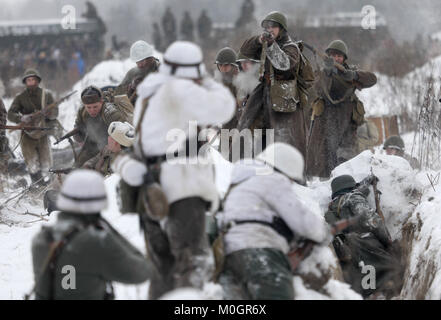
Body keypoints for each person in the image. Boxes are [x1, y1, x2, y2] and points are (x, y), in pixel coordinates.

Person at [112, 41, 236, 299]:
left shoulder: (148, 91)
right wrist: (205, 79)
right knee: (192, 260)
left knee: (162, 267)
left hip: (150, 189)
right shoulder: (180, 89)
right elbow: (225, 106)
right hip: (181, 185)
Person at [217, 142, 331, 299]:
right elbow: (303, 221)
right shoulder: (272, 179)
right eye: (291, 179)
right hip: (260, 252)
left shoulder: (239, 184)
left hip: (231, 255)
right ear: (284, 169)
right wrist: (325, 233)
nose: (290, 183)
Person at [31, 169, 152, 300]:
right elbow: (141, 271)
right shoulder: (96, 242)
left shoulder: (41, 239)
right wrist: (108, 228)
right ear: (98, 204)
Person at [237, 11, 314, 158]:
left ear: (282, 29)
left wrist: (271, 45)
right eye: (267, 27)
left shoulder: (292, 48)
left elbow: (283, 64)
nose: (269, 29)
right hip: (264, 92)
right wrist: (259, 40)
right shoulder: (265, 44)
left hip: (284, 99)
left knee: (284, 139)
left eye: (273, 27)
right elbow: (244, 51)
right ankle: (247, 165)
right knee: (248, 128)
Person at [307, 40, 377, 178]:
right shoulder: (321, 73)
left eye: (339, 56)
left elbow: (372, 79)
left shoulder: (350, 72)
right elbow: (318, 90)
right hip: (325, 118)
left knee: (345, 158)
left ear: (344, 58)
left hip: (346, 120)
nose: (335, 58)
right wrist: (327, 74)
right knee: (324, 156)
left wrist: (354, 75)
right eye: (332, 55)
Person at [325, 174, 402, 298]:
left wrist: (367, 181)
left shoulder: (332, 209)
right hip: (367, 245)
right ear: (351, 187)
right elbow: (372, 221)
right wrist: (387, 241)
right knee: (394, 271)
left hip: (348, 254)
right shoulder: (354, 198)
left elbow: (359, 190)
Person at [7, 69, 56, 186]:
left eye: (33, 79)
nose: (31, 82)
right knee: (32, 164)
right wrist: (21, 118)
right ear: (25, 82)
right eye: (28, 80)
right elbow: (10, 114)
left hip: (43, 134)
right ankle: (38, 186)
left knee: (47, 163)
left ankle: (49, 187)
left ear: (37, 80)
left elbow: (55, 112)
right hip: (27, 135)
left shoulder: (46, 95)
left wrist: (48, 114)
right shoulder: (20, 97)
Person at [73, 86, 128, 167]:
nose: (92, 110)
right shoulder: (82, 111)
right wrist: (78, 137)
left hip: (112, 146)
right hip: (93, 143)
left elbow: (124, 135)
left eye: (95, 106)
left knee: (100, 169)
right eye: (88, 107)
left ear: (101, 102)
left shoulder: (110, 112)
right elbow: (78, 127)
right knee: (77, 167)